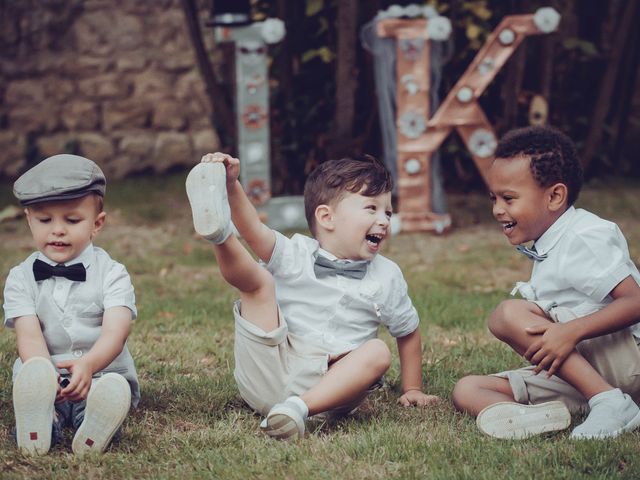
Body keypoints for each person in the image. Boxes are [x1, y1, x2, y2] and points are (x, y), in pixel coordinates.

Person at [186, 152, 438, 440]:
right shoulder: (297, 254)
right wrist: (231, 184)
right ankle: (220, 235)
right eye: (371, 209)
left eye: (388, 212)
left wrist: (412, 388)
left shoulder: (387, 275)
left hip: (331, 389)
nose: (384, 221)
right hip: (270, 366)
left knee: (378, 351)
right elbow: (255, 232)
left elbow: (407, 330)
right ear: (326, 217)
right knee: (259, 285)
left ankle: (297, 409)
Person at [452, 126, 640, 440]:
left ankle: (608, 401)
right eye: (494, 198)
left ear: (554, 196)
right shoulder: (548, 247)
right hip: (591, 370)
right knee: (468, 389)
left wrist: (571, 331)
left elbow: (635, 302)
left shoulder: (583, 235)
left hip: (626, 357)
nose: (497, 209)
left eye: (508, 198)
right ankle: (553, 413)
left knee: (507, 315)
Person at [3, 154, 138, 455]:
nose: (58, 230)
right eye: (45, 220)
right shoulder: (20, 278)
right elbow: (29, 336)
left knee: (108, 390)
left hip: (101, 371)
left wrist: (89, 365)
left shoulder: (113, 273)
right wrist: (46, 376)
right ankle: (42, 418)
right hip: (45, 371)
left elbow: (116, 332)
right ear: (28, 220)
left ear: (97, 223)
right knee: (31, 374)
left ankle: (94, 420)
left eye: (72, 220)